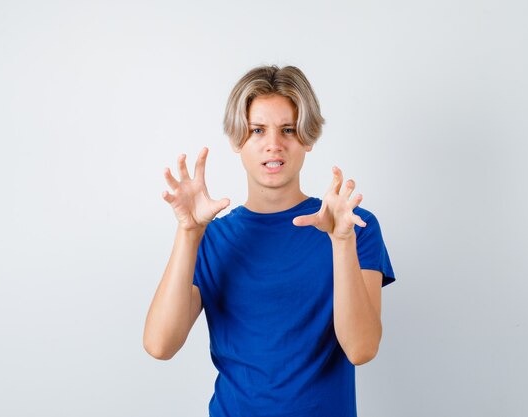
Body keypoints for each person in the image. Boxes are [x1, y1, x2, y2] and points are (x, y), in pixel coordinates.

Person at [143, 65, 396, 417]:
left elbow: (362, 349)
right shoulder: (212, 238)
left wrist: (341, 242)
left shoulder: (353, 226)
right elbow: (159, 345)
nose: (273, 145)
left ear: (307, 138)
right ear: (237, 140)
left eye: (288, 130)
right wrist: (188, 233)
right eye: (257, 130)